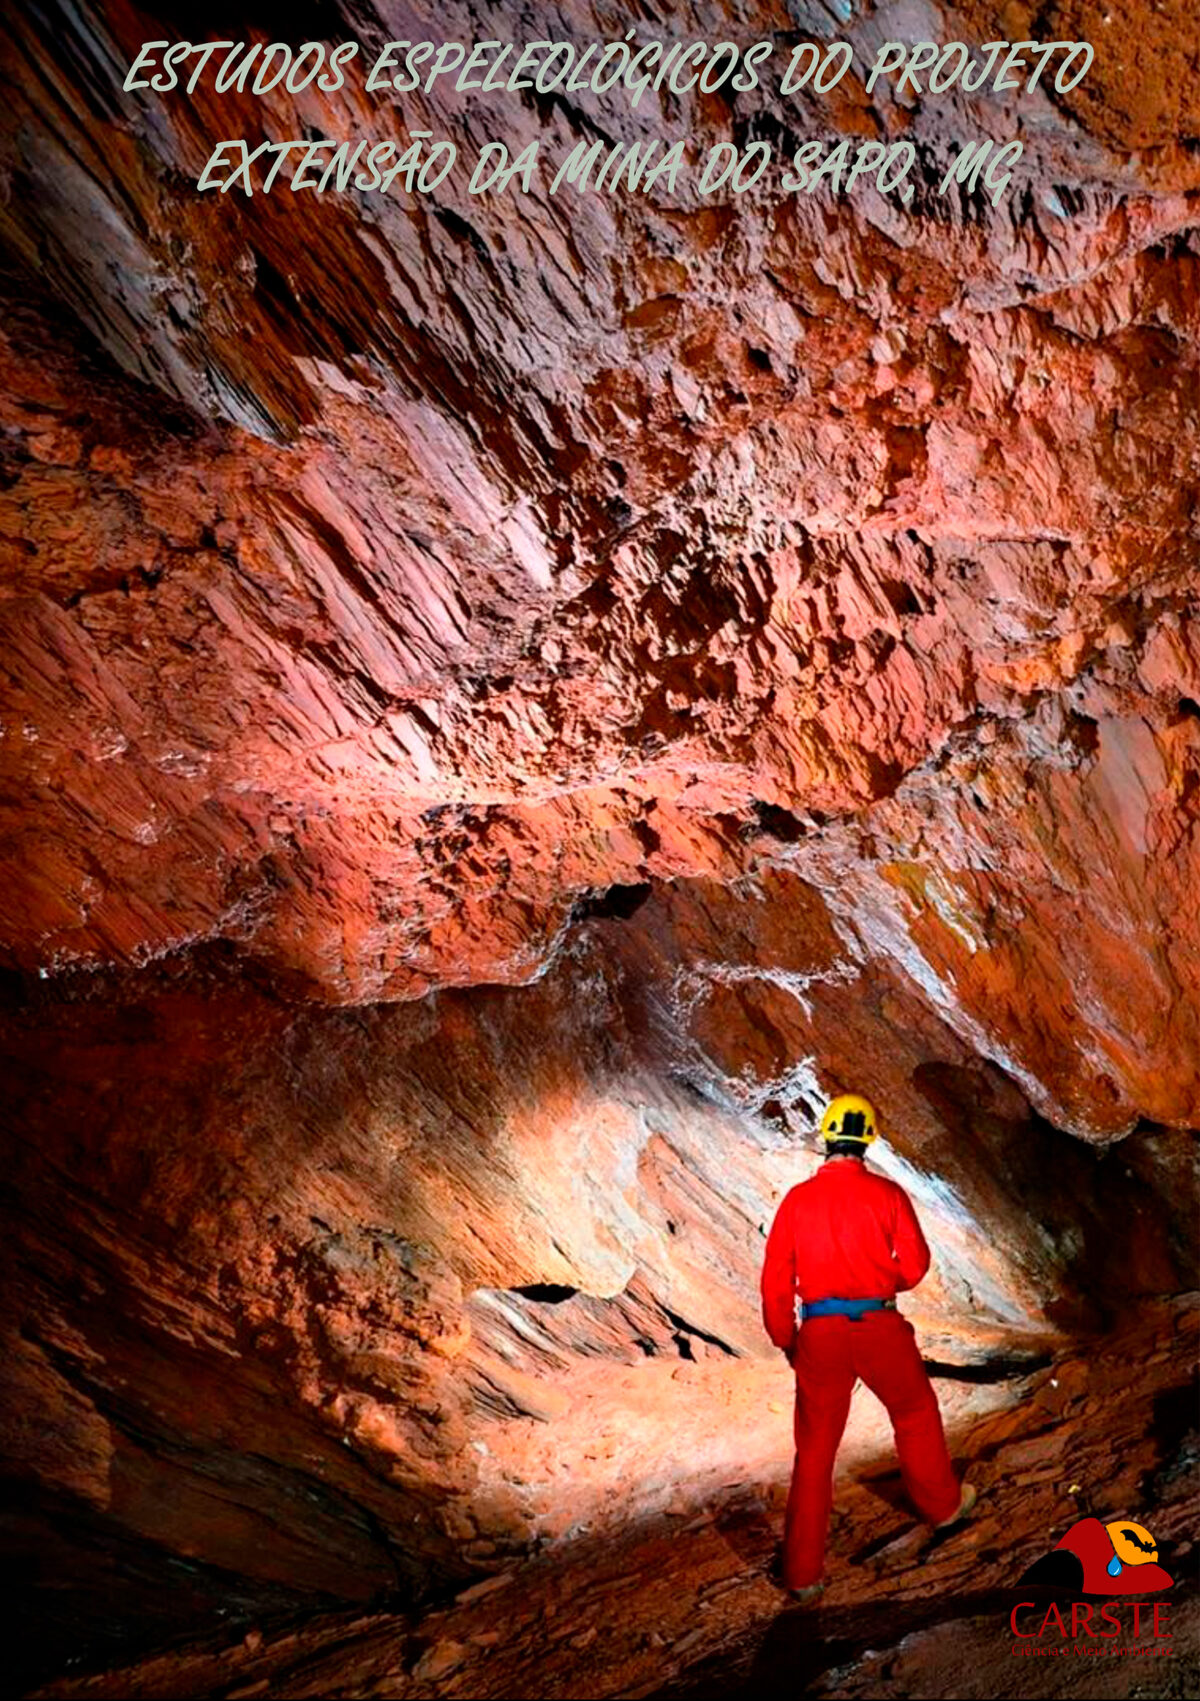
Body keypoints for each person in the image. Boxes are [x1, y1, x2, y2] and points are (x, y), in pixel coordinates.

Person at [760, 1093, 975, 1602]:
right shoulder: (888, 1194)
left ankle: (803, 1574)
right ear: (869, 1139)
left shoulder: (796, 1201)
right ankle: (942, 1507)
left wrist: (786, 1340)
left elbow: (774, 1283)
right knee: (915, 1411)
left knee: (814, 1450)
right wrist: (880, 1285)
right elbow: (916, 1264)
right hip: (879, 1324)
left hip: (820, 1332)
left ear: (826, 1138)